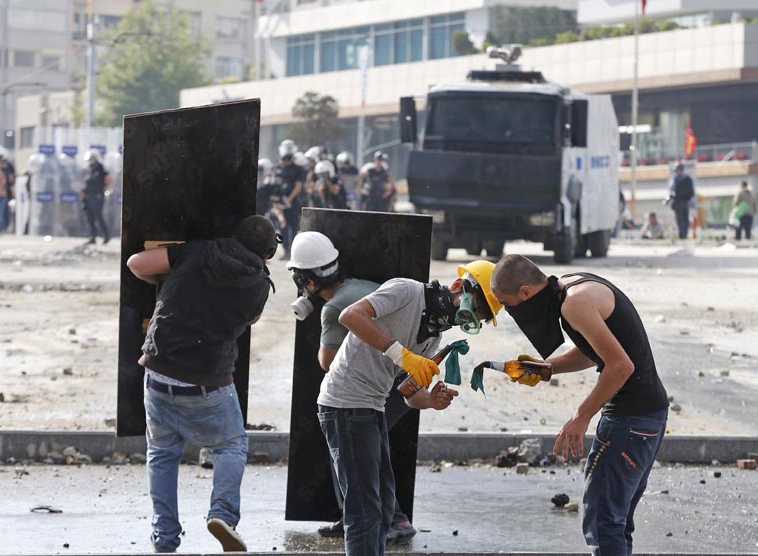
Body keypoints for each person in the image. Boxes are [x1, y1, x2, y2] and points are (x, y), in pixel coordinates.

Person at [317, 257, 502, 556]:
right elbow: (351, 316)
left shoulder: (433, 335)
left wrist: (430, 400)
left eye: (480, 317)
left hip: (371, 406)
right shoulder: (406, 292)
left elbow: (407, 392)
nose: (471, 318)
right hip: (345, 403)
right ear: (458, 286)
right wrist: (400, 354)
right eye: (477, 308)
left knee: (384, 506)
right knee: (364, 510)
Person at [490, 254, 669, 556]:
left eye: (507, 305)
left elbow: (620, 366)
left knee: (603, 523)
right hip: (647, 415)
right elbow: (593, 351)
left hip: (631, 418)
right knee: (615, 522)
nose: (510, 312)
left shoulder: (573, 303)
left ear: (524, 292)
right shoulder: (571, 287)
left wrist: (581, 416)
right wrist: (544, 368)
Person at [126, 215, 281, 554]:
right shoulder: (259, 285)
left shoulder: (197, 252)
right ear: (268, 253)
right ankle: (222, 514)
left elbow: (136, 263)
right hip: (207, 383)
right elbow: (250, 318)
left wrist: (166, 281)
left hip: (158, 372)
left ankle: (165, 539)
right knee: (230, 446)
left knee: (162, 454)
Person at [287, 231, 444, 543]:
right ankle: (368, 518)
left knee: (354, 458)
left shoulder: (334, 309)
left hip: (381, 389)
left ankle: (386, 520)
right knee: (370, 458)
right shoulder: (360, 287)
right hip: (393, 384)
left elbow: (328, 363)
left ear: (309, 281)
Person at [277, 139, 305, 257]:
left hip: (293, 202)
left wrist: (290, 199)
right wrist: (278, 201)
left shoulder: (298, 169)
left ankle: (293, 252)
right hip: (280, 202)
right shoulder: (278, 168)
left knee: (294, 228)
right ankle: (285, 249)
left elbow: (298, 186)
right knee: (282, 227)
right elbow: (276, 185)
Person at [82, 149, 111, 245]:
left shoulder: (100, 168)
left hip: (97, 196)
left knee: (99, 216)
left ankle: (106, 236)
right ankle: (93, 237)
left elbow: (110, 180)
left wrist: (102, 189)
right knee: (90, 217)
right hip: (89, 196)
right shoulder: (90, 168)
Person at [667, 163, 694, 239]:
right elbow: (671, 190)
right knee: (679, 219)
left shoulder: (687, 179)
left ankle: (684, 234)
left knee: (685, 218)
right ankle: (681, 235)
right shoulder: (674, 179)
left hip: (685, 201)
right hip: (677, 202)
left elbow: (691, 192)